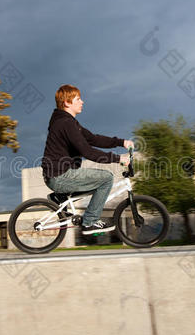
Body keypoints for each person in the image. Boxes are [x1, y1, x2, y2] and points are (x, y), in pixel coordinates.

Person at [41, 84, 133, 235]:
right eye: (78, 99)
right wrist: (118, 159)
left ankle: (59, 197)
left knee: (96, 182)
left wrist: (121, 142)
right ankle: (90, 222)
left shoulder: (69, 122)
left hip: (57, 174)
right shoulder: (66, 123)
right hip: (60, 176)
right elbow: (87, 151)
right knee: (106, 179)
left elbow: (93, 139)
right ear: (67, 103)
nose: (82, 102)